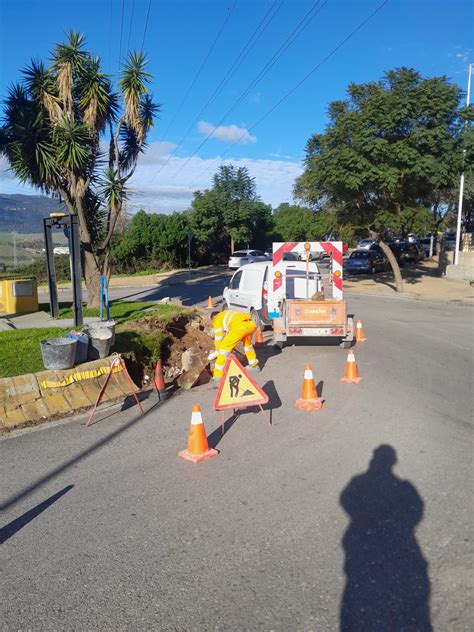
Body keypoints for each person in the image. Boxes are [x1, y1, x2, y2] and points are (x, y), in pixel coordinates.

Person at [208, 310, 260, 380]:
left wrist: (218, 350)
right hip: (251, 324)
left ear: (213, 318)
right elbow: (230, 333)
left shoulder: (217, 319)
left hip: (239, 327)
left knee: (224, 349)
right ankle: (254, 365)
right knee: (248, 346)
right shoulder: (226, 314)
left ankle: (217, 375)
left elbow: (218, 337)